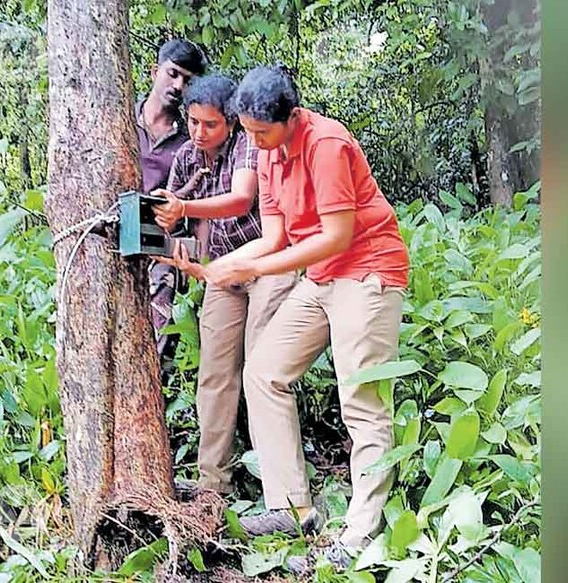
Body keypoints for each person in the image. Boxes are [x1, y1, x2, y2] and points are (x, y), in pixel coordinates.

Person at [201, 66, 410, 568]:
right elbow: (274, 237)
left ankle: (359, 535)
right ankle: (292, 508)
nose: (255, 144)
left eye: (262, 133)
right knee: (264, 372)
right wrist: (224, 265)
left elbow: (336, 236)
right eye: (248, 133)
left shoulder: (327, 144)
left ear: (292, 117)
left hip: (367, 271)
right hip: (322, 277)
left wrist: (256, 265)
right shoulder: (268, 154)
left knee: (361, 399)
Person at [150, 74, 297, 495]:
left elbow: (241, 198)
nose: (199, 133)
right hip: (223, 270)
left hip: (266, 262)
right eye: (193, 122)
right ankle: (213, 483)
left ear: (230, 122)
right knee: (215, 374)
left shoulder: (250, 144)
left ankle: (277, 484)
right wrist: (172, 245)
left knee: (261, 369)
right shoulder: (185, 158)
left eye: (209, 124)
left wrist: (184, 207)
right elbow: (176, 218)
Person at [134, 38, 206, 372]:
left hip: (161, 242)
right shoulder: (120, 121)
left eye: (188, 81)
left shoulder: (192, 140)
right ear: (155, 72)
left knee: (158, 332)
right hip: (112, 232)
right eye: (173, 74)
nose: (178, 86)